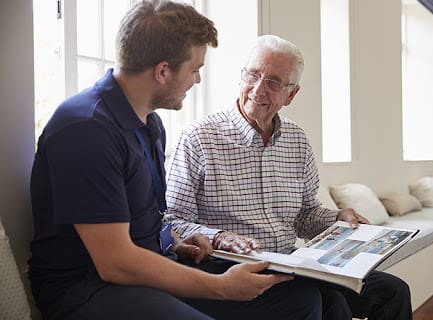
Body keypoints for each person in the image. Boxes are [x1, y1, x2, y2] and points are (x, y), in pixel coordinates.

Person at [28, 2, 325, 320]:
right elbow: (114, 261)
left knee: (300, 300)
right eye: (195, 69)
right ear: (163, 70)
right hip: (89, 288)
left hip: (145, 270)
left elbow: (150, 220)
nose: (197, 80)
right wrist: (221, 286)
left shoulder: (149, 125)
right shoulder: (86, 128)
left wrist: (175, 242)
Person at [166, 34, 413, 320]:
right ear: (241, 76)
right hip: (226, 267)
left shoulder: (296, 140)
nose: (259, 89)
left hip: (292, 263)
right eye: (253, 75)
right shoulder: (198, 137)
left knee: (394, 292)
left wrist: (338, 219)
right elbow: (172, 220)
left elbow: (305, 216)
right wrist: (220, 237)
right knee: (328, 303)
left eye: (273, 82)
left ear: (291, 94)